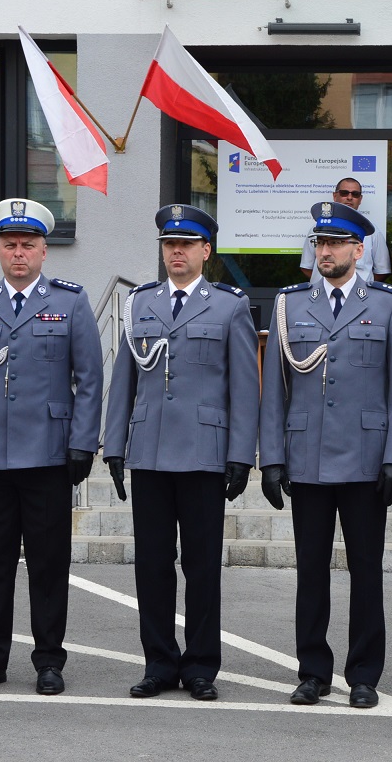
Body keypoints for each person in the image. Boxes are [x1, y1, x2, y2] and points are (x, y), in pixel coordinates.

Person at [259, 200, 392, 709]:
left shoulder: (389, 305)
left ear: (357, 249)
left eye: (333, 243)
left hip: (367, 459)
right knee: (311, 571)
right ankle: (312, 670)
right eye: (318, 243)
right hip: (307, 457)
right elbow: (275, 390)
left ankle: (365, 673)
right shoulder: (290, 304)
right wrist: (272, 457)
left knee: (367, 571)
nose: (323, 251)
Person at [0, 198, 102, 696]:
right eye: (10, 245)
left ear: (43, 251)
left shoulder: (70, 301)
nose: (19, 254)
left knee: (48, 564)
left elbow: (91, 380)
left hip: (48, 454)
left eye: (28, 245)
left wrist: (82, 444)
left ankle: (49, 661)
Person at [103, 205, 260, 702]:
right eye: (170, 244)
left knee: (201, 565)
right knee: (151, 564)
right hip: (148, 453)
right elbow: (123, 381)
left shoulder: (229, 306)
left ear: (205, 251)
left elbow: (244, 387)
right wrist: (113, 446)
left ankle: (200, 667)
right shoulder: (139, 304)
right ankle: (158, 663)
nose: (177, 251)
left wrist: (240, 453)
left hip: (202, 454)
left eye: (187, 244)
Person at [298, 177, 391, 283]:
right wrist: (329, 285)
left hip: (359, 297)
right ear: (335, 196)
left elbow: (382, 271)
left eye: (355, 194)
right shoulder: (316, 230)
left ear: (360, 199)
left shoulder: (371, 232)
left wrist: (361, 287)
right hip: (322, 295)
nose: (349, 197)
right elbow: (306, 267)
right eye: (344, 193)